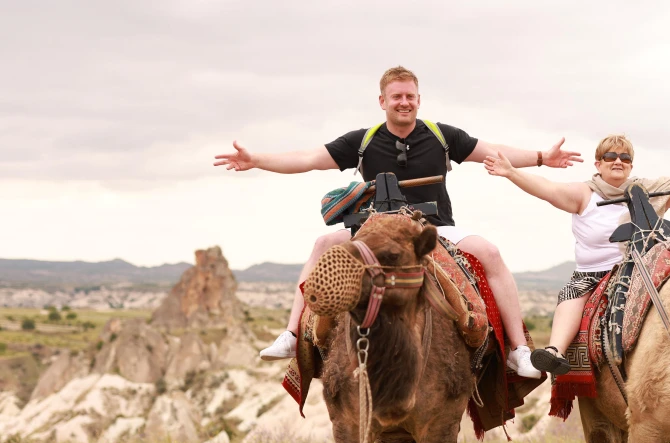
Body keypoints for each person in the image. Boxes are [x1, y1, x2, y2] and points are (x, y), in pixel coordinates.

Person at [213, 66, 584, 378]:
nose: (404, 102)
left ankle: (518, 350)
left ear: (419, 100)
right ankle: (292, 335)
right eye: (396, 97)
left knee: (490, 252)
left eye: (410, 96)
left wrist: (541, 157)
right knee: (322, 245)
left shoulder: (442, 136)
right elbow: (308, 159)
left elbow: (494, 153)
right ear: (383, 101)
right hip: (372, 231)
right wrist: (257, 160)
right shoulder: (362, 141)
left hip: (432, 229)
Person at [483, 134, 670, 375]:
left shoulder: (649, 192)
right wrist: (512, 173)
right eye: (610, 156)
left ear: (631, 166)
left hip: (640, 268)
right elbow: (549, 189)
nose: (618, 161)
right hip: (593, 275)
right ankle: (555, 351)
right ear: (598, 164)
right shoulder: (584, 194)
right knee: (571, 294)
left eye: (625, 157)